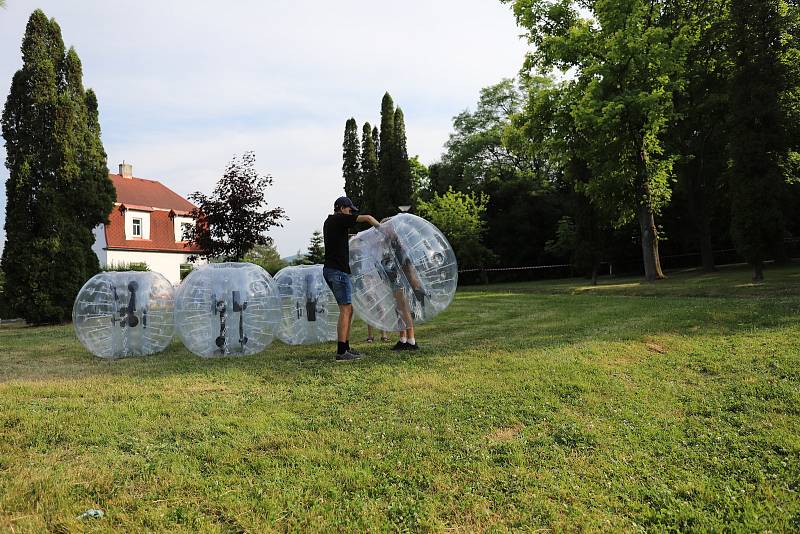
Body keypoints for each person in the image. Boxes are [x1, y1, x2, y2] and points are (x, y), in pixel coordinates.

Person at [322, 196, 380, 361]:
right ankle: (341, 351)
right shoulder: (339, 219)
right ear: (341, 208)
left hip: (332, 270)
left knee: (348, 308)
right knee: (345, 309)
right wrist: (382, 229)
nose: (350, 213)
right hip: (337, 271)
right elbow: (368, 218)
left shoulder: (331, 222)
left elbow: (349, 237)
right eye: (349, 210)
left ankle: (345, 347)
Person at [380, 218, 425, 351]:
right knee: (399, 310)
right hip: (395, 280)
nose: (381, 230)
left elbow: (406, 264)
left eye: (384, 227)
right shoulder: (389, 243)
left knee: (404, 310)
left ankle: (411, 341)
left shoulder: (397, 244)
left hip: (401, 281)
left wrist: (413, 282)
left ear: (390, 228)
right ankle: (403, 339)